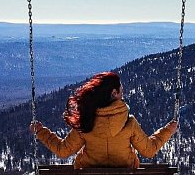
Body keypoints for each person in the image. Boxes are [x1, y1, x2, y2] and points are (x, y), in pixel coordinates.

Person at [29, 71, 178, 168]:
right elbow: (149, 150)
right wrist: (168, 131)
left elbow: (63, 151)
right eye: (121, 90)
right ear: (114, 93)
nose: (123, 93)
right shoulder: (129, 123)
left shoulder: (87, 121)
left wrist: (40, 132)